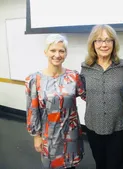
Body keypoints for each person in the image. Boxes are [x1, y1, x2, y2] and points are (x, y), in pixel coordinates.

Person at [25, 34, 85, 169]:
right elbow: (32, 110)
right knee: (52, 165)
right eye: (53, 50)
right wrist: (36, 136)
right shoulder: (35, 80)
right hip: (49, 136)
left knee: (70, 166)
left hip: (71, 134)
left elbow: (88, 95)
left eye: (61, 51)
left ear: (66, 53)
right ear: (45, 52)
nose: (57, 55)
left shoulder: (73, 77)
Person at [80, 24, 123, 169]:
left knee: (115, 165)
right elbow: (84, 93)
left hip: (117, 127)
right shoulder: (85, 67)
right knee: (100, 163)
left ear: (114, 43)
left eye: (108, 40)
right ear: (93, 44)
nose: (104, 44)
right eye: (99, 40)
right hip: (93, 125)